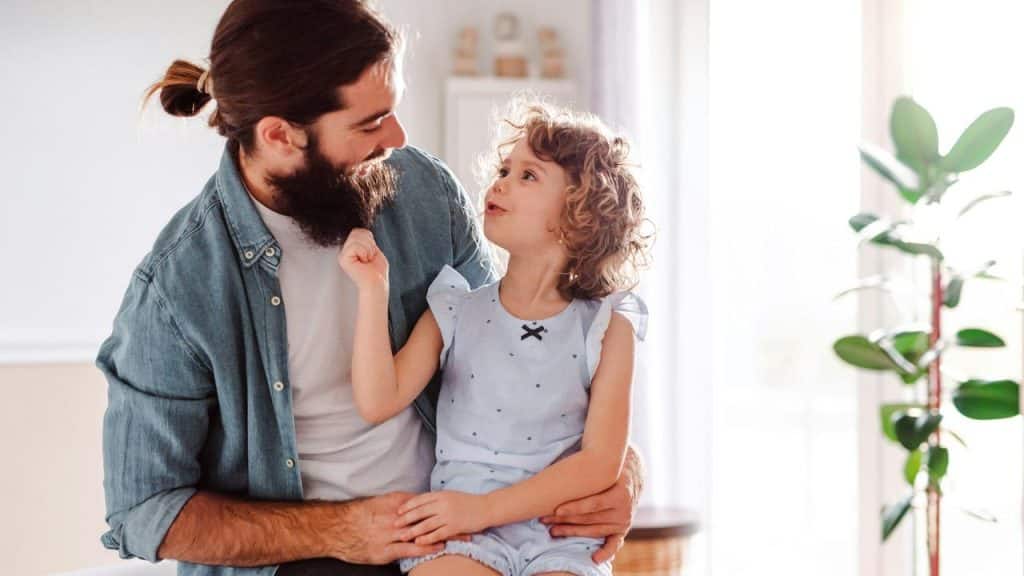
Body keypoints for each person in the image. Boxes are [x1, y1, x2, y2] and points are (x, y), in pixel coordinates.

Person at [96, 1, 645, 575]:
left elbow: (520, 353)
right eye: (369, 123)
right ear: (281, 136)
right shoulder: (177, 288)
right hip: (309, 556)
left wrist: (619, 468)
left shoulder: (424, 192)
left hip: (463, 521)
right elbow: (144, 510)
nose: (398, 137)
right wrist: (342, 530)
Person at [338, 100, 650, 576]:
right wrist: (372, 290)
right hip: (457, 532)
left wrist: (485, 510)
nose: (500, 182)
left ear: (580, 213)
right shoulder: (454, 307)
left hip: (559, 538)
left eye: (529, 175)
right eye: (505, 168)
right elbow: (378, 400)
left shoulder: (610, 326)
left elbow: (600, 463)